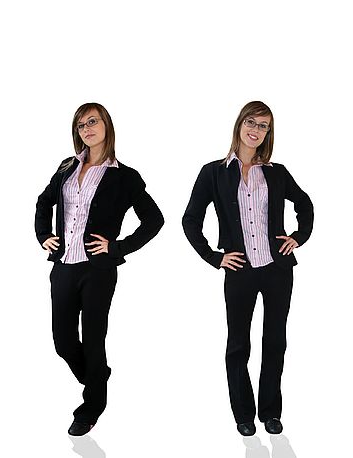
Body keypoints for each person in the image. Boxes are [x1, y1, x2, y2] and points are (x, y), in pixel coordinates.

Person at [182, 101, 313, 437]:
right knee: (238, 343)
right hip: (239, 270)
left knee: (275, 340)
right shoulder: (213, 172)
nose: (256, 131)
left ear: (269, 133)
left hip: (277, 270)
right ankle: (243, 413)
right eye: (251, 123)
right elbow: (191, 219)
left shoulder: (276, 172)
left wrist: (298, 237)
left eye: (264, 126)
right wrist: (215, 257)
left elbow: (305, 204)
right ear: (239, 124)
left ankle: (270, 411)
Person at [34, 103, 163, 436]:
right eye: (80, 125)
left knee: (93, 339)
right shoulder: (66, 166)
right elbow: (43, 201)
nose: (86, 128)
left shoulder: (124, 176)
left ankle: (92, 406)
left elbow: (154, 220)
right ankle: (97, 377)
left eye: (92, 121)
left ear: (107, 125)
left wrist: (117, 247)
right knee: (63, 341)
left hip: (98, 270)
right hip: (63, 266)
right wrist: (44, 235)